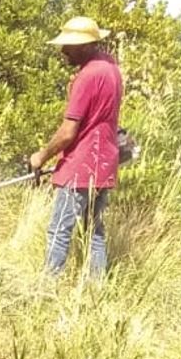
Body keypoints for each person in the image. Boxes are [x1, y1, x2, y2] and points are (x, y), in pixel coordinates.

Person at [29, 16, 125, 276]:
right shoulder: (110, 67)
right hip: (104, 164)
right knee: (94, 231)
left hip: (81, 166)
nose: (63, 52)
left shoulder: (87, 76)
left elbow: (68, 132)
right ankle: (97, 292)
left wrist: (42, 156)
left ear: (84, 46)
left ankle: (47, 288)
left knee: (59, 230)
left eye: (68, 46)